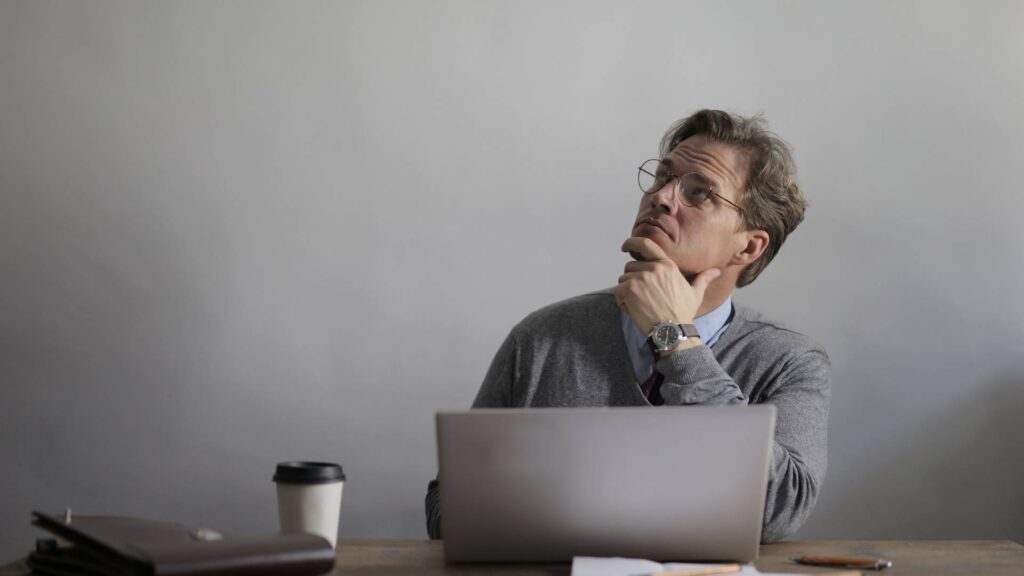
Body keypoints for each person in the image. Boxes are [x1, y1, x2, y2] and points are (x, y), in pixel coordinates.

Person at [425, 109, 830, 543]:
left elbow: (779, 512)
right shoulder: (543, 338)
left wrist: (676, 340)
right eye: (662, 177)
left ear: (749, 245)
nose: (661, 197)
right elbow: (447, 510)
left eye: (699, 192)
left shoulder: (790, 362)